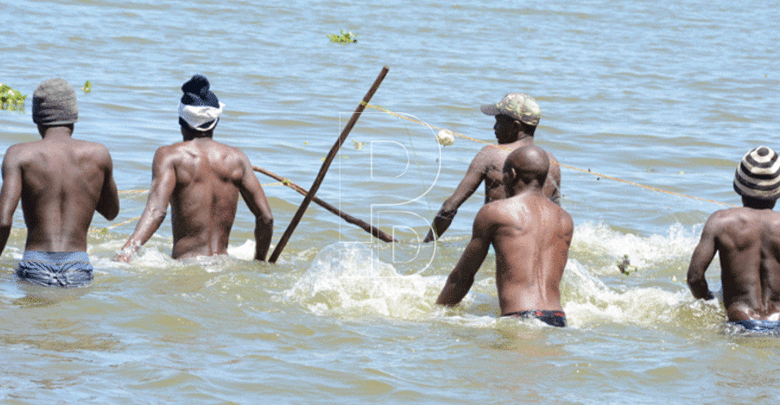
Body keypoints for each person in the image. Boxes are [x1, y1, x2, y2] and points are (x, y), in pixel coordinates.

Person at [116, 74, 273, 262]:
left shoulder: (170, 156)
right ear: (216, 122)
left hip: (188, 266)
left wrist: (127, 252)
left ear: (181, 121)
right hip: (224, 265)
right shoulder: (237, 158)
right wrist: (260, 262)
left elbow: (157, 211)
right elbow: (266, 218)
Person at [436, 145, 574, 327]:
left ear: (511, 175)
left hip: (519, 318)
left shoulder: (495, 212)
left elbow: (462, 277)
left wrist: (437, 315)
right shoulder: (564, 219)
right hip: (558, 318)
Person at [0, 78, 120, 287]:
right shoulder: (99, 155)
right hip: (78, 266)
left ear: (37, 118)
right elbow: (111, 212)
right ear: (73, 116)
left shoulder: (18, 155)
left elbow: (3, 220)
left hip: (35, 265)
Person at [424, 93, 562, 243]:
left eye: (498, 122)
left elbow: (450, 207)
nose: (494, 128)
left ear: (515, 126)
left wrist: (425, 245)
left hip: (497, 246)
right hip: (535, 245)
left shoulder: (490, 154)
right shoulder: (551, 162)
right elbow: (556, 216)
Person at [687, 146, 780, 333]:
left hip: (739, 323)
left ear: (739, 186)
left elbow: (695, 278)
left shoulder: (720, 222)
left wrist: (711, 302)